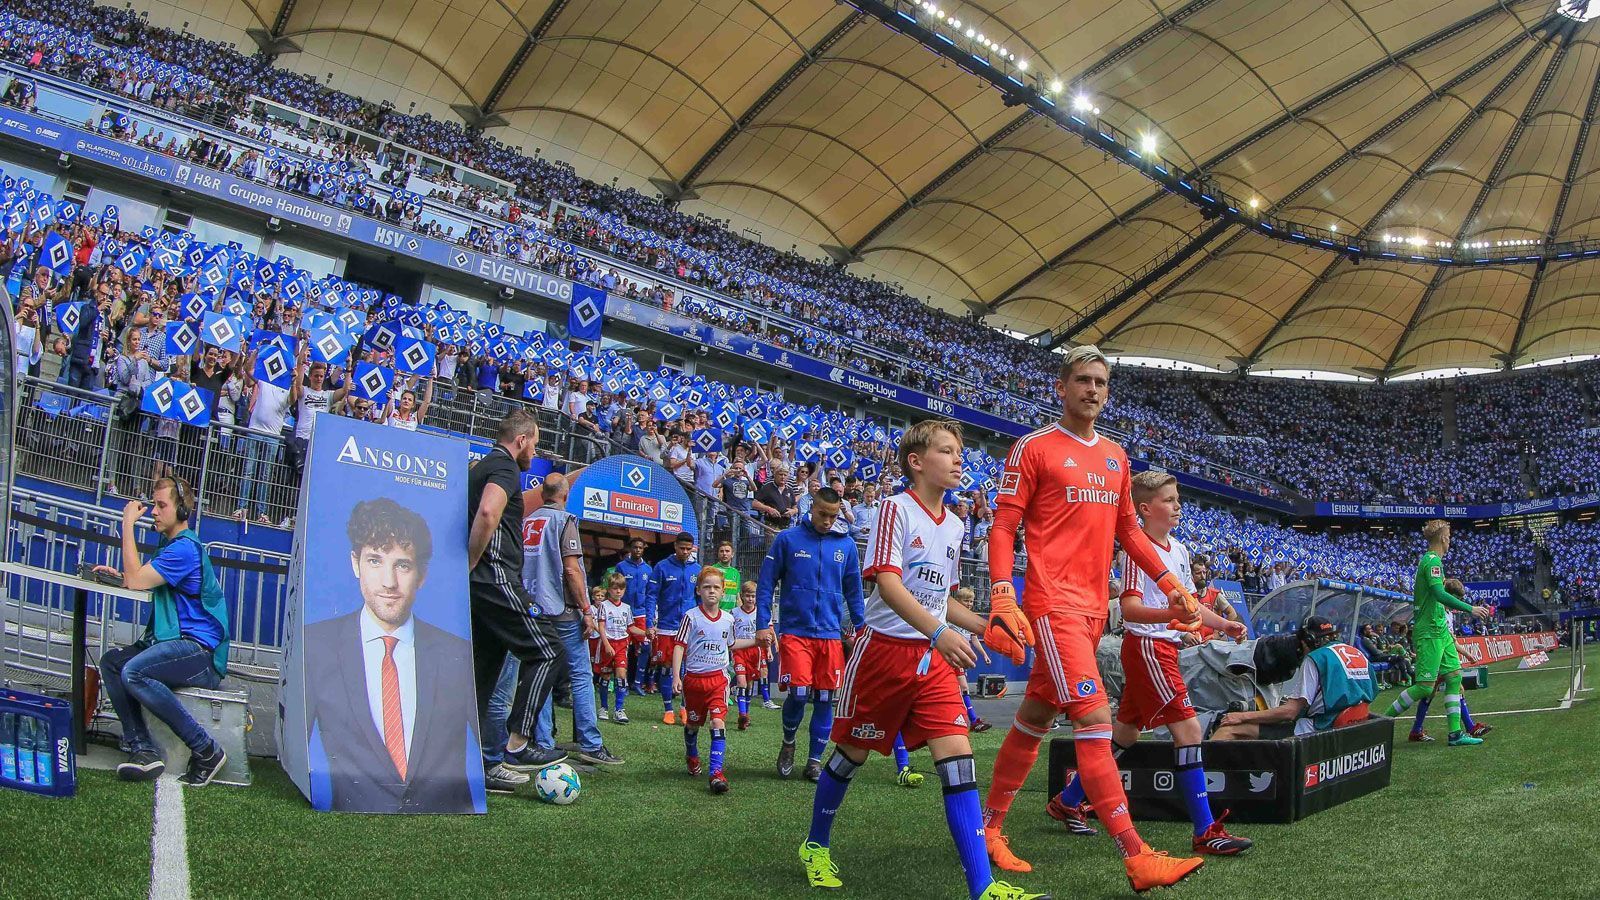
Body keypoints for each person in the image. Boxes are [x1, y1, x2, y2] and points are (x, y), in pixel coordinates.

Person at [978, 345, 1204, 891]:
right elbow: (1004, 526)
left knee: (1032, 718)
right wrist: (1004, 592)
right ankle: (1136, 853)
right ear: (1062, 387)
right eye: (1082, 380)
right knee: (1095, 718)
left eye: (1101, 382)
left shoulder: (1116, 457)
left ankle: (988, 829)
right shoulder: (1034, 448)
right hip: (1052, 606)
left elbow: (1129, 531)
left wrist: (1172, 583)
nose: (1093, 390)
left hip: (1092, 611)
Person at [799, 419, 1046, 900]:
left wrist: (985, 626)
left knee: (959, 762)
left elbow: (942, 597)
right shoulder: (895, 509)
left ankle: (983, 888)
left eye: (960, 452)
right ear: (916, 462)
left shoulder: (955, 524)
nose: (959, 460)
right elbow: (888, 586)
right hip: (882, 655)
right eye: (948, 451)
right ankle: (815, 844)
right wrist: (940, 632)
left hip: (931, 661)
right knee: (850, 757)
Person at [1048, 472, 1252, 855]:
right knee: (1190, 732)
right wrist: (1168, 614)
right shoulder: (1135, 549)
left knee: (1124, 736)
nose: (1178, 506)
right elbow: (1129, 609)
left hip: (1160, 648)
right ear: (1144, 509)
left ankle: (1068, 800)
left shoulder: (1179, 550)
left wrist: (1222, 622)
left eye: (1177, 499)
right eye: (1170, 500)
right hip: (1148, 649)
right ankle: (1205, 831)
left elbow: (1189, 604)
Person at [302, 498, 482, 812]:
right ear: (355, 563)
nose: (389, 582)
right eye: (375, 560)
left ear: (421, 575)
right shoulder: (316, 645)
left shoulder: (458, 653)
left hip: (448, 827)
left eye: (402, 564)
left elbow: (486, 745)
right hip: (350, 825)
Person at [95, 477, 232, 786]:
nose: (154, 512)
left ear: (182, 511)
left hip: (200, 653)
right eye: (153, 505)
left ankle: (206, 749)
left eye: (161, 506)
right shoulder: (171, 546)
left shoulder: (183, 549)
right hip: (181, 645)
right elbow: (139, 578)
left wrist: (127, 524)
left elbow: (137, 581)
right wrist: (122, 576)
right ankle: (142, 749)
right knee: (112, 663)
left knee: (134, 672)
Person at [467, 410, 565, 793]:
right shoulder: (504, 465)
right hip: (495, 578)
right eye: (535, 442)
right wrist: (473, 561)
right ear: (521, 440)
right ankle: (518, 743)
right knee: (550, 648)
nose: (535, 450)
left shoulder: (481, 467)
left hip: (483, 585)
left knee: (482, 677)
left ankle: (476, 763)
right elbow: (489, 511)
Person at [754, 487, 863, 781]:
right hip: (796, 632)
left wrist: (862, 628)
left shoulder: (847, 545)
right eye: (822, 514)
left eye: (833, 516)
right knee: (800, 695)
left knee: (826, 698)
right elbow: (766, 585)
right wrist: (763, 623)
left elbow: (854, 593)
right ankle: (789, 743)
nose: (827, 521)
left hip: (830, 634)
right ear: (810, 508)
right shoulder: (787, 539)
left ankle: (814, 760)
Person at [520, 473, 624, 767]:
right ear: (565, 496)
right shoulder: (564, 520)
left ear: (543, 495)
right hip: (561, 610)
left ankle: (542, 743)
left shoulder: (527, 521)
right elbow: (573, 570)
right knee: (580, 674)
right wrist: (587, 610)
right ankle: (590, 743)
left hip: (531, 609)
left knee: (540, 674)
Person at [1383, 520, 1494, 746]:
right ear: (1443, 538)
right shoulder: (1431, 561)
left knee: (1454, 678)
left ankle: (1455, 734)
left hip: (1440, 631)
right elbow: (1438, 595)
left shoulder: (1434, 563)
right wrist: (1470, 608)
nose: (1450, 540)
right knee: (1425, 686)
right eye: (1449, 536)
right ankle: (1380, 722)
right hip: (1430, 632)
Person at [1210, 616, 1377, 739]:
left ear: (1308, 640)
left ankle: (1203, 782)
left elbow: (1289, 713)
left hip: (1319, 730)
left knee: (1229, 729)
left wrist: (1240, 717)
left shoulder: (1316, 658)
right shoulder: (1357, 653)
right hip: (1351, 727)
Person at [672, 568, 757, 793]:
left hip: (718, 680)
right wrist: (675, 676)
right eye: (707, 587)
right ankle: (692, 755)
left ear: (723, 592)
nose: (712, 591)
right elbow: (679, 646)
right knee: (692, 725)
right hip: (694, 681)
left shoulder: (729, 620)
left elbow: (731, 644)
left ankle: (716, 774)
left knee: (718, 723)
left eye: (716, 587)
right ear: (699, 590)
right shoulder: (691, 617)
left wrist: (756, 642)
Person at [1407, 579, 1492, 742]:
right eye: (1455, 599)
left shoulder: (1448, 614)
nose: (1455, 604)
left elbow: (1451, 640)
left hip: (1440, 658)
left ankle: (1417, 729)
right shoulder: (1437, 611)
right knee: (1449, 689)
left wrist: (1466, 654)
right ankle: (1469, 727)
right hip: (1436, 658)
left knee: (1431, 694)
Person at [647, 532, 702, 724]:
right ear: (675, 546)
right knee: (666, 668)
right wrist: (649, 623)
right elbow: (651, 595)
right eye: (682, 548)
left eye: (688, 549)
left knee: (689, 670)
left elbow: (700, 599)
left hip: (688, 627)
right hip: (666, 626)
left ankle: (684, 708)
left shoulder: (697, 569)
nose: (685, 552)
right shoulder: (662, 567)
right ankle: (668, 708)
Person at [595, 573, 644, 724]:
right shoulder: (603, 606)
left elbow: (631, 628)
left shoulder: (626, 608)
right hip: (607, 643)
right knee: (606, 676)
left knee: (621, 675)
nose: (618, 592)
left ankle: (619, 709)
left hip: (622, 644)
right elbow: (601, 627)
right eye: (615, 588)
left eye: (621, 589)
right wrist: (607, 644)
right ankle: (603, 707)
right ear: (609, 589)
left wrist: (645, 632)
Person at [613, 537, 654, 696]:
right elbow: (615, 586)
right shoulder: (621, 566)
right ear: (630, 548)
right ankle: (621, 682)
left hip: (641, 613)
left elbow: (650, 593)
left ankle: (638, 682)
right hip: (624, 611)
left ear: (643, 549)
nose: (637, 550)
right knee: (623, 647)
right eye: (635, 547)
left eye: (640, 547)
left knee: (645, 646)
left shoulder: (648, 569)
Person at [950, 588, 991, 734]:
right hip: (949, 655)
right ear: (957, 601)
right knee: (962, 687)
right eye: (966, 600)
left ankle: (969, 720)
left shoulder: (970, 618)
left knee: (960, 689)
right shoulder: (949, 615)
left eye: (971, 601)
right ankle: (972, 720)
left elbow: (974, 638)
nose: (969, 604)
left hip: (960, 657)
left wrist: (984, 654)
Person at [731, 582, 761, 730]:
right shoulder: (734, 613)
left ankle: (746, 714)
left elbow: (766, 631)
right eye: (747, 596)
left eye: (753, 596)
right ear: (742, 596)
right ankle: (742, 714)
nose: (750, 599)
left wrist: (768, 650)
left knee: (749, 684)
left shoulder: (760, 613)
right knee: (741, 682)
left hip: (754, 652)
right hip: (739, 650)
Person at [709, 539, 740, 611]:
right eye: (721, 551)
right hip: (716, 613)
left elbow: (737, 597)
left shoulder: (736, 573)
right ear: (718, 553)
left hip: (732, 614)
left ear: (732, 554)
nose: (724, 553)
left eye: (727, 551)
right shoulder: (712, 570)